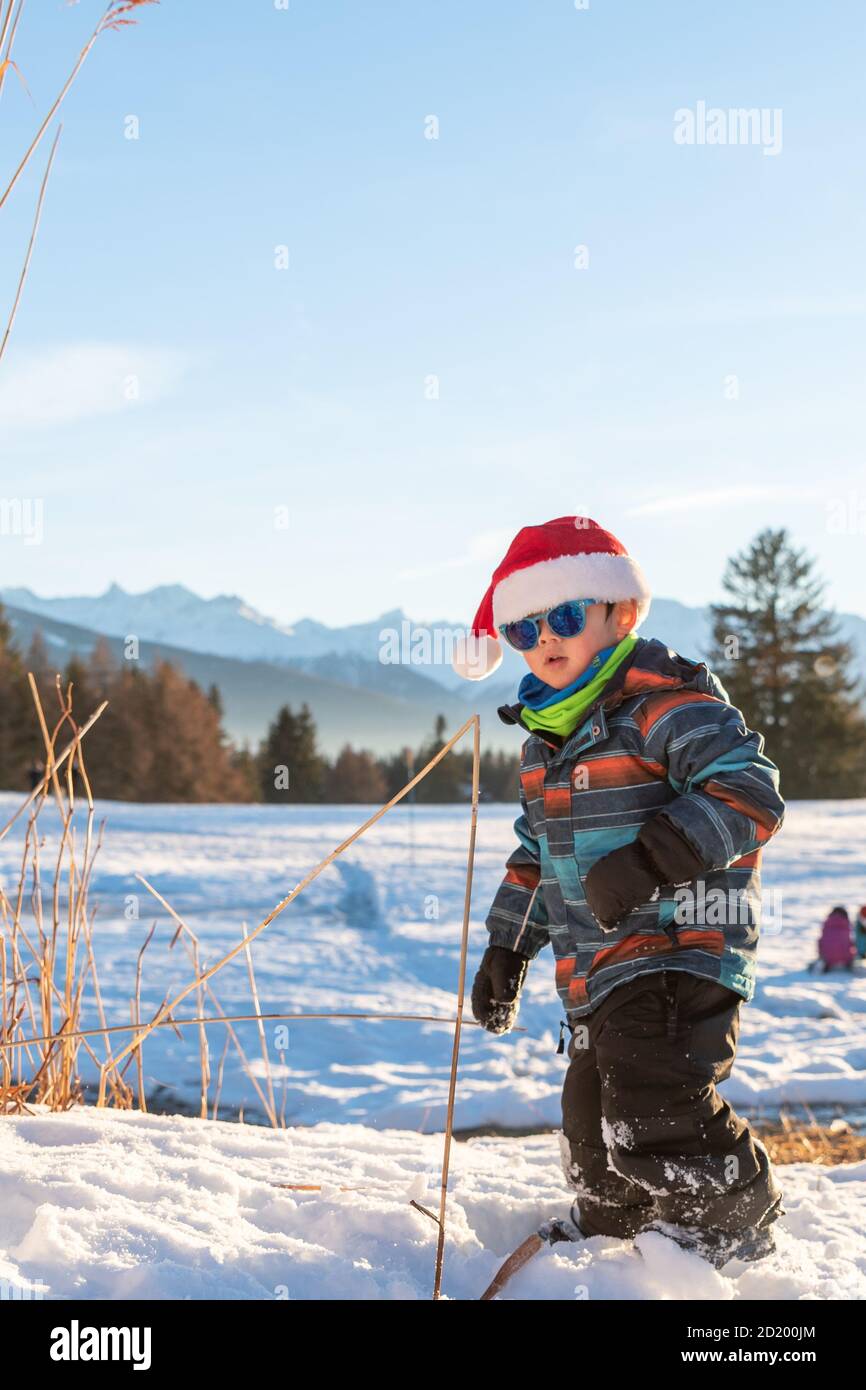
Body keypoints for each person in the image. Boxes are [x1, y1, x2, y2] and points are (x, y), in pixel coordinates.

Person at [456, 516, 786, 1269]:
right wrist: (507, 948)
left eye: (565, 615)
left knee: (649, 1103)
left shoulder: (665, 706)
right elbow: (536, 856)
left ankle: (729, 1222)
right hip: (597, 972)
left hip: (682, 946)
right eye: (521, 626)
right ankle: (619, 1235)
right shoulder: (545, 741)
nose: (545, 636)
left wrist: (651, 857)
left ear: (622, 613)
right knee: (589, 1124)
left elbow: (751, 792)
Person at [817, 906, 855, 972]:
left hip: (827, 956)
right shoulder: (846, 924)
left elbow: (821, 941)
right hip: (845, 956)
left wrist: (820, 953)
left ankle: (827, 963)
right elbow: (849, 942)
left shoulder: (827, 923)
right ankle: (849, 964)